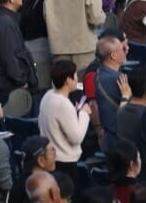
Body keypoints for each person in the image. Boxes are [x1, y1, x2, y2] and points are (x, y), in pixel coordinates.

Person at [39, 59, 92, 191]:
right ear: (68, 80)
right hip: (64, 163)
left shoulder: (48, 95)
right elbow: (76, 137)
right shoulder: (63, 104)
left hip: (53, 159)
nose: (76, 79)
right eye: (75, 76)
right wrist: (84, 114)